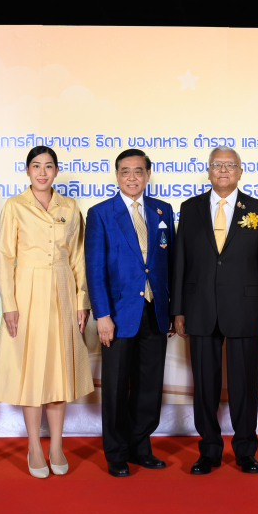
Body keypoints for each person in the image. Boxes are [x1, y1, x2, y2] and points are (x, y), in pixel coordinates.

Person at [0, 146, 93, 478]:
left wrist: (82, 302)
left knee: (60, 369)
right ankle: (34, 445)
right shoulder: (15, 206)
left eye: (49, 166)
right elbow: (4, 257)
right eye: (37, 166)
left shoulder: (70, 207)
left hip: (62, 290)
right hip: (27, 291)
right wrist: (10, 304)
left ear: (56, 170)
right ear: (27, 170)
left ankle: (57, 444)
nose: (43, 172)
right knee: (32, 370)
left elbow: (78, 257)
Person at [172, 146, 258, 475]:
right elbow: (181, 261)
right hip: (199, 306)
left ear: (240, 171)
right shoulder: (190, 208)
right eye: (218, 165)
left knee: (244, 383)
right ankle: (209, 449)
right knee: (204, 384)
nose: (224, 170)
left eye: (231, 165)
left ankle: (245, 449)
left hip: (244, 307)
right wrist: (179, 309)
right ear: (209, 171)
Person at [85, 149, 176, 477]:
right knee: (116, 386)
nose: (132, 177)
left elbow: (169, 263)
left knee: (149, 385)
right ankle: (116, 452)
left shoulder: (162, 211)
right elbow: (94, 269)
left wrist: (172, 310)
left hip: (155, 312)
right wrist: (102, 315)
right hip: (118, 314)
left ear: (148, 174)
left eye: (138, 171)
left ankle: (141, 446)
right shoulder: (100, 213)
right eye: (125, 172)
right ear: (117, 175)